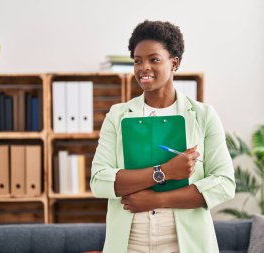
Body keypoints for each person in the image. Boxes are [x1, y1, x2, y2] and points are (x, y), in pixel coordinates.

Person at [91, 20, 235, 253]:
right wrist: (165, 172)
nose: (143, 67)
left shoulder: (203, 115)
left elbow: (224, 183)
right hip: (130, 243)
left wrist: (157, 200)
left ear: (174, 62)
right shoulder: (118, 116)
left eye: (154, 59)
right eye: (137, 61)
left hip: (184, 243)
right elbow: (99, 181)